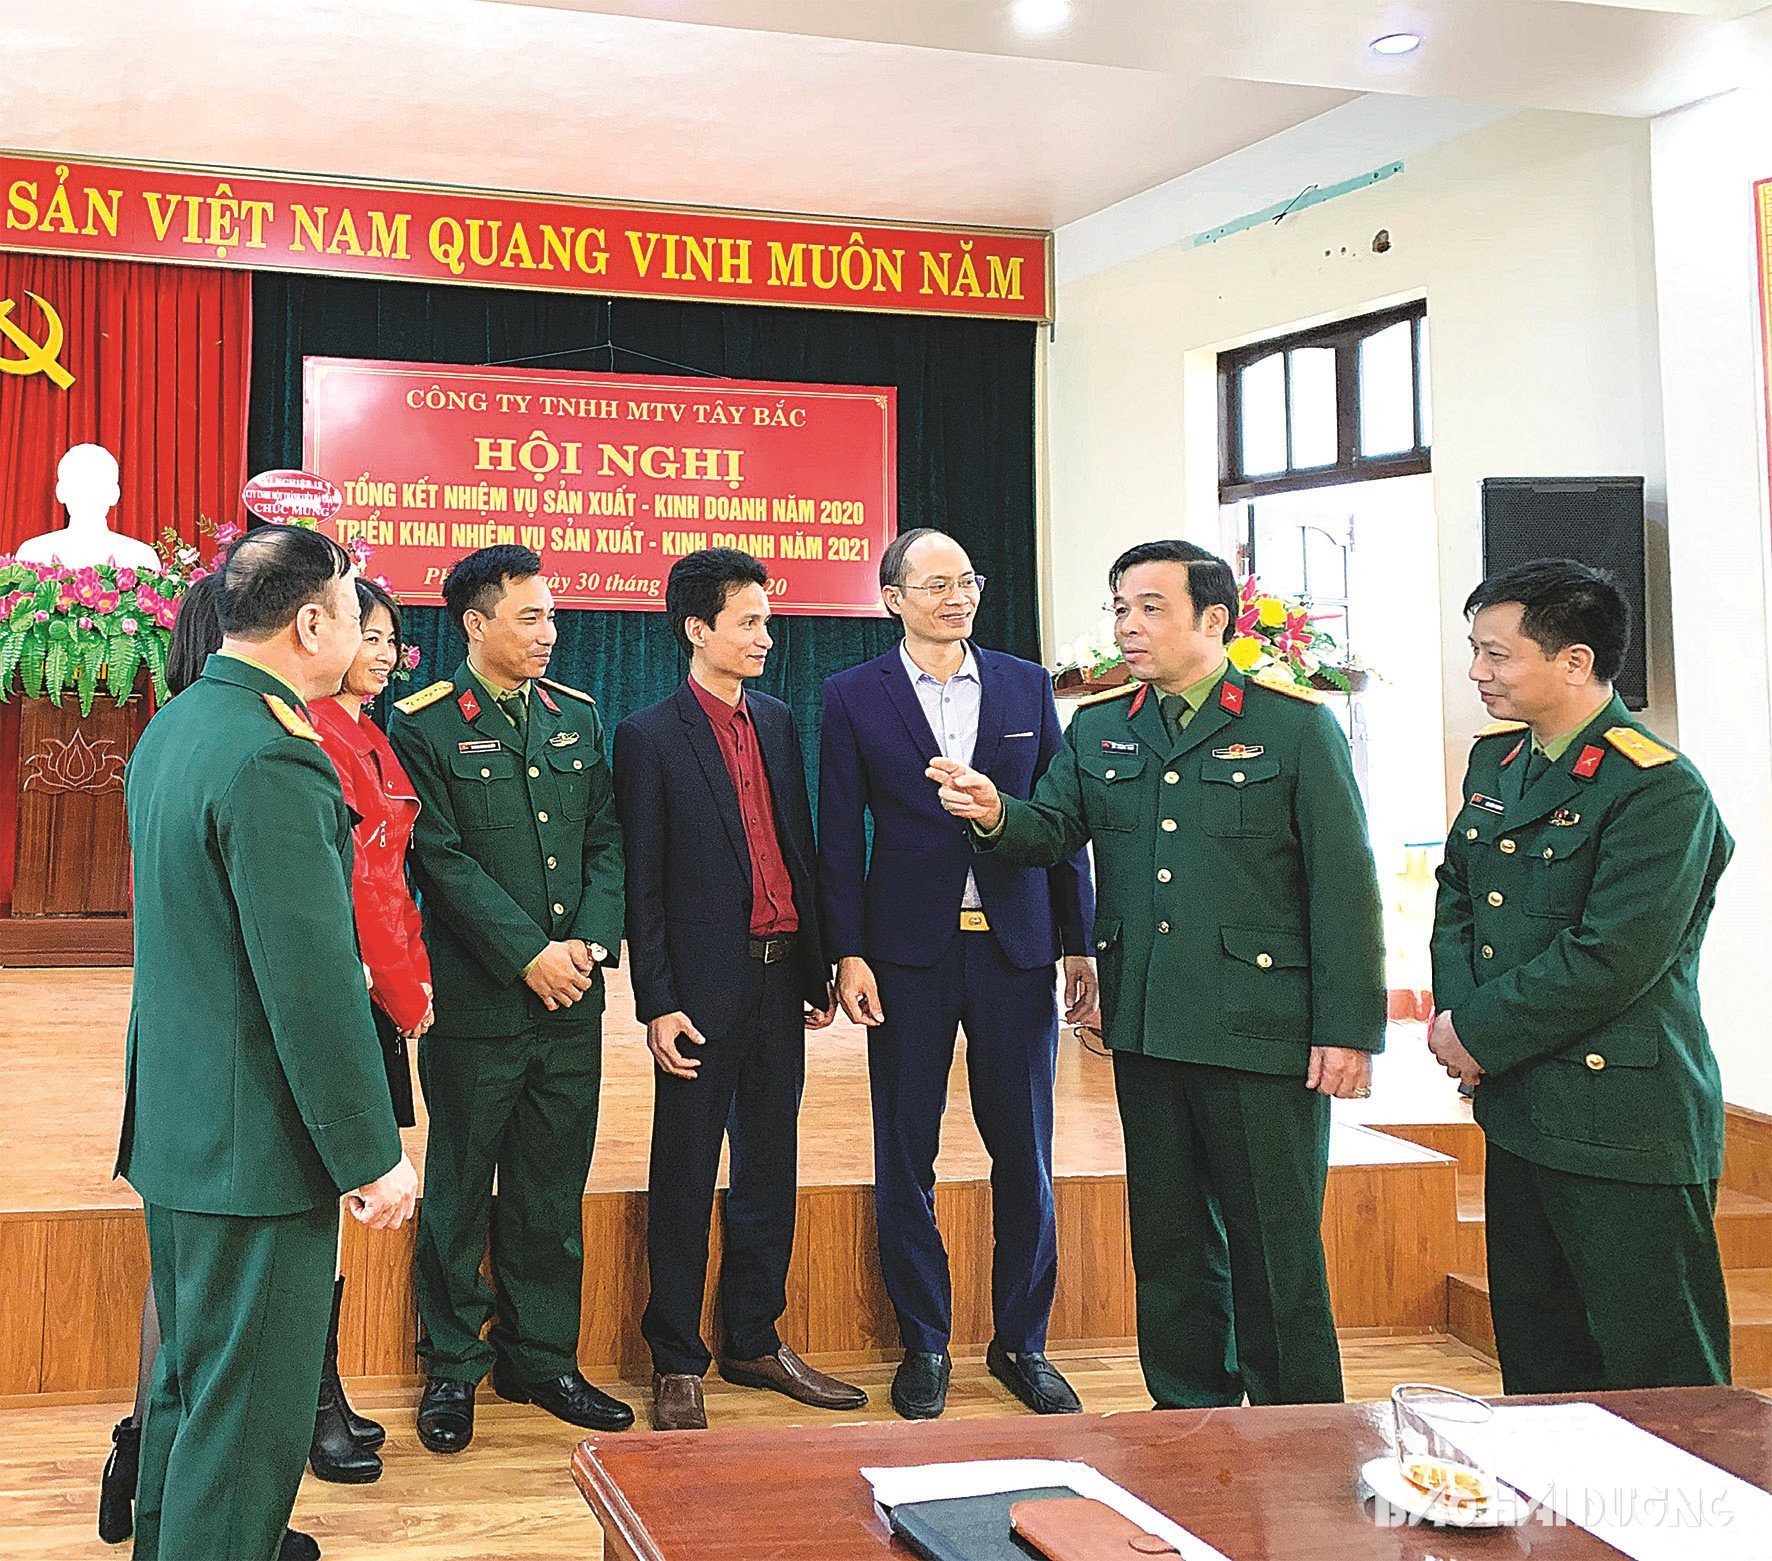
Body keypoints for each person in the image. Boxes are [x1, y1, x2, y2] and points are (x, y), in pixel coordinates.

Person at [929, 539, 1384, 1410]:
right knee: (1171, 1242)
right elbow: (1052, 828)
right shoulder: (1103, 725)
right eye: (1121, 609)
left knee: (1272, 1246)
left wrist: (1348, 1028)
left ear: (1214, 620)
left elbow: (1344, 886)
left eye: (1150, 608)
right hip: (1147, 1024)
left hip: (1261, 1030)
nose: (1129, 627)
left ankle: (1300, 1427)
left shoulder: (1293, 726)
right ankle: (1189, 1417)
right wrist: (996, 812)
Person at [120, 523, 417, 1561]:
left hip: (182, 1124)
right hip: (256, 1146)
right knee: (248, 1420)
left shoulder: (180, 725)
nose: (371, 636)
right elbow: (312, 988)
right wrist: (370, 1151)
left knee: (191, 1387)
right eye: (352, 611)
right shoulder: (275, 756)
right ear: (309, 623)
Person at [1429, 559, 1734, 1393]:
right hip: (1523, 1103)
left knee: (1659, 1370)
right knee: (1539, 1359)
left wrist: (1478, 1031)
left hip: (1622, 1118)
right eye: (1475, 650)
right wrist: (1458, 1017)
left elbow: (1611, 957)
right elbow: (1460, 893)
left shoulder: (1658, 787)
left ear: (1574, 661)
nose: (1477, 672)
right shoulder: (1498, 765)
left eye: (1497, 654)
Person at [818, 529, 1096, 1421]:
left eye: (968, 578)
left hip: (1016, 947)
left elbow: (1060, 819)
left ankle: (1024, 1341)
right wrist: (846, 950)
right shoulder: (852, 695)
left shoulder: (1023, 684)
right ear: (891, 596)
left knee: (1027, 1152)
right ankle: (925, 1341)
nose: (958, 595)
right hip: (906, 953)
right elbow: (836, 838)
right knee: (906, 1150)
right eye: (935, 583)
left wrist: (1078, 940)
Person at [613, 548, 868, 1430]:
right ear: (698, 629)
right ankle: (676, 1357)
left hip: (779, 984)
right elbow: (642, 884)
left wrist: (821, 961)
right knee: (683, 1172)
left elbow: (795, 848)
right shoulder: (647, 735)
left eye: (767, 618)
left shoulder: (776, 717)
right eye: (748, 621)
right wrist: (657, 1002)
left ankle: (755, 1337)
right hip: (699, 994)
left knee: (771, 1165)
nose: (767, 635)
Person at [389, 545, 630, 1453]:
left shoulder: (576, 714)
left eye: (552, 616)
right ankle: (453, 1365)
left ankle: (543, 1356)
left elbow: (606, 838)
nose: (549, 633)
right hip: (480, 1001)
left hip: (573, 997)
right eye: (529, 617)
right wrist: (527, 952)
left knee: (549, 1183)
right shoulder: (421, 724)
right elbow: (438, 859)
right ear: (475, 624)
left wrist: (588, 944)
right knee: (460, 1184)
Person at [98, 572, 222, 1546]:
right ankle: (173, 1497)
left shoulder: (167, 734)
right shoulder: (235, 745)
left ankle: (144, 1469)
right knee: (201, 1305)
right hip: (215, 1058)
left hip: (171, 1046)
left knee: (176, 1281)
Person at [307, 576, 436, 1482]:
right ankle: (311, 1404)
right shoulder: (318, 732)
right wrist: (408, 986)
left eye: (393, 639)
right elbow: (361, 886)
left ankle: (325, 1392)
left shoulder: (366, 731)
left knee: (339, 1211)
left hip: (374, 984)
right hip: (344, 988)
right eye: (369, 633)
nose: (384, 653)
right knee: (323, 1200)